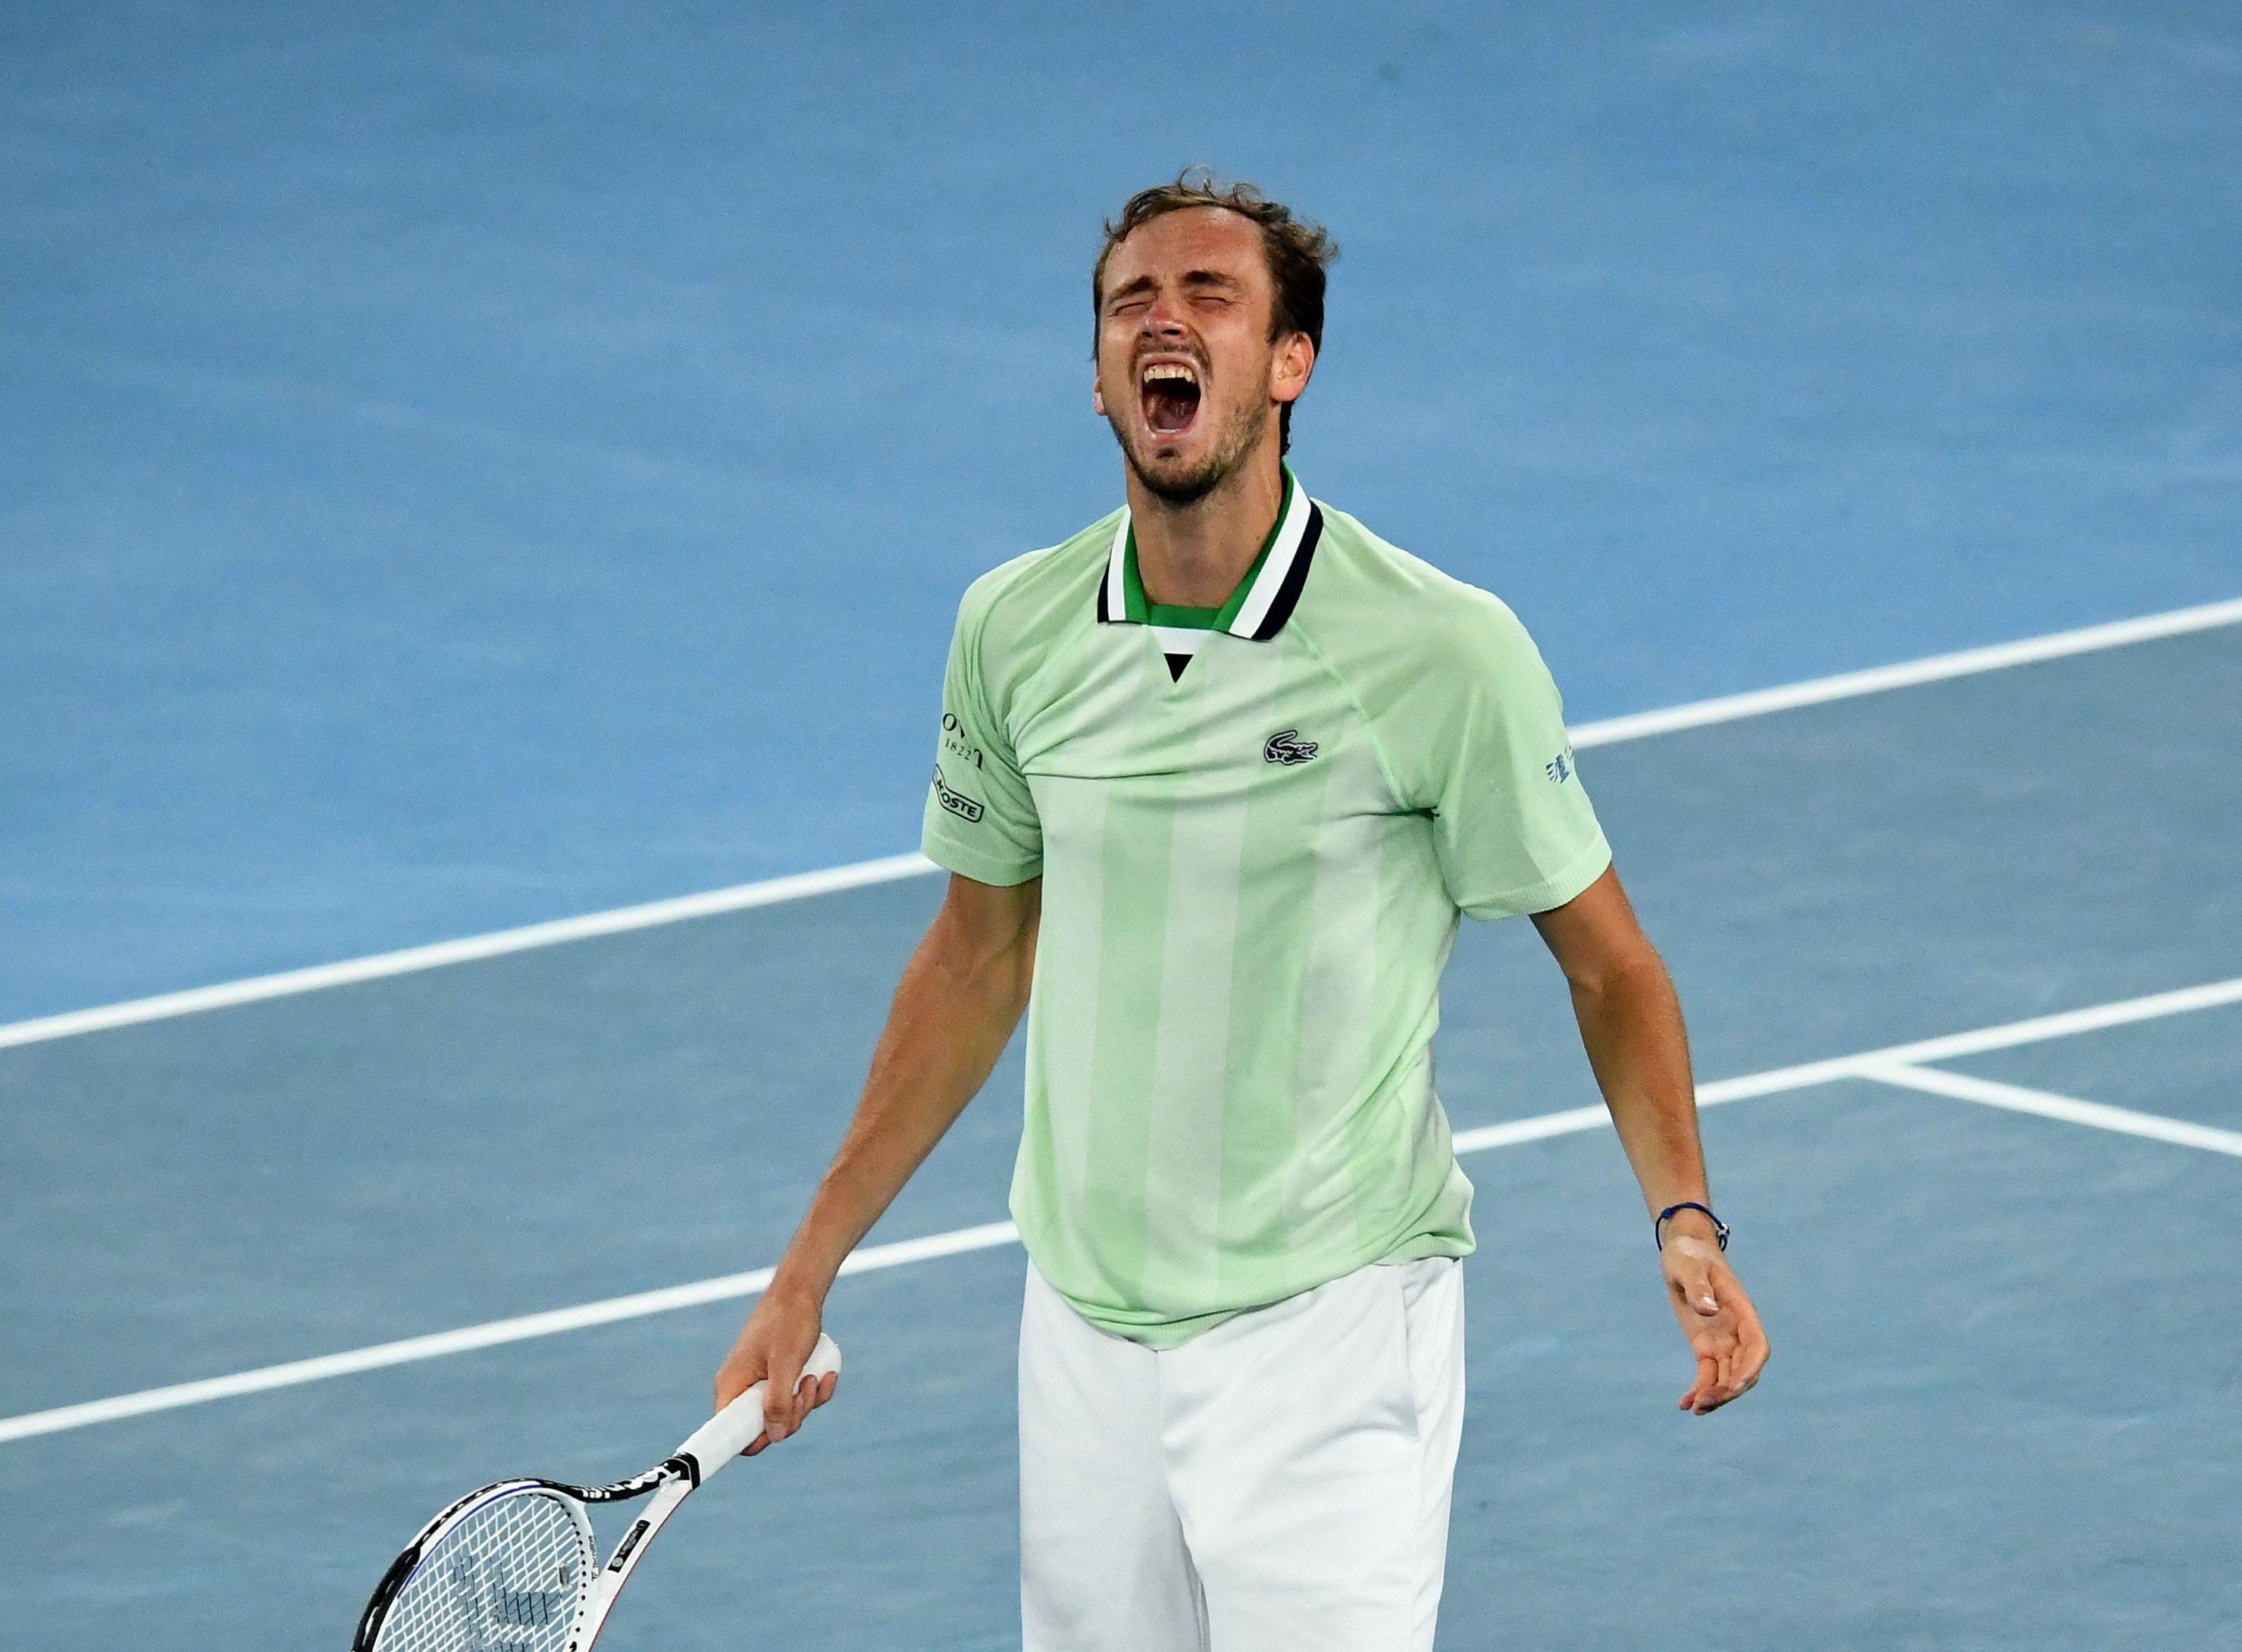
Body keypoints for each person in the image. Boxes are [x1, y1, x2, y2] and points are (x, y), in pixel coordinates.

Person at [715, 172, 1769, 1652]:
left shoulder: (1440, 652)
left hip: (1330, 1336)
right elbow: (974, 958)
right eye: (1132, 301)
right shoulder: (1013, 632)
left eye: (1211, 294)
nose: (1165, 319)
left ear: (1291, 364)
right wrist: (806, 1268)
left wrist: (1684, 1214)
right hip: (1084, 1337)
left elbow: (1610, 967)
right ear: (1099, 378)